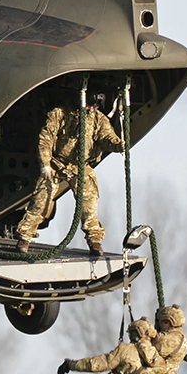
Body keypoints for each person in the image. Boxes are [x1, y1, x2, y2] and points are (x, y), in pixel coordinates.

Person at [14, 92, 123, 255]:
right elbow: (46, 139)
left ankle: (95, 241)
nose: (90, 109)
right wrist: (45, 164)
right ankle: (25, 237)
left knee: (89, 201)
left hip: (80, 166)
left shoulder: (97, 119)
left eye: (93, 107)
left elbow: (106, 136)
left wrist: (118, 145)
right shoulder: (60, 114)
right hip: (56, 163)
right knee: (41, 200)